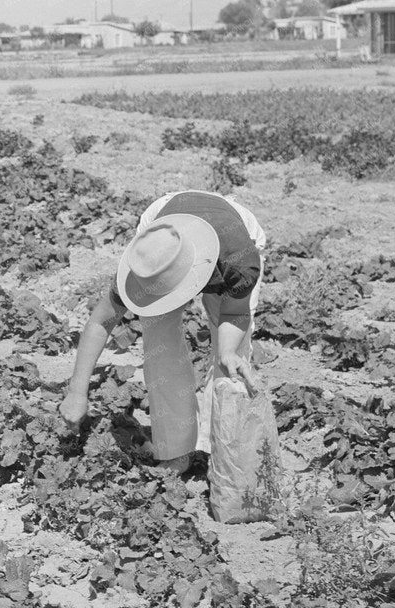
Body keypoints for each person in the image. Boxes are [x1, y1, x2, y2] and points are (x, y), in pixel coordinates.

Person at [58, 190, 266, 471]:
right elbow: (100, 322)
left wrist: (228, 351)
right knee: (159, 337)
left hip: (228, 242)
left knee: (233, 363)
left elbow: (234, 312)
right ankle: (175, 453)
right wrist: (77, 392)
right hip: (164, 223)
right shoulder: (147, 259)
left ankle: (223, 451)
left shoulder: (239, 260)